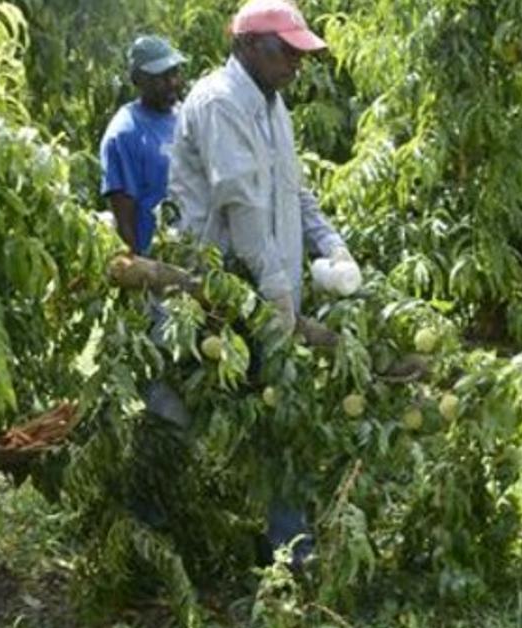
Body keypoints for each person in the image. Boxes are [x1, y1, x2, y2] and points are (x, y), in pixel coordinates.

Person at [167, 0, 359, 567]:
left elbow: (294, 195)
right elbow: (243, 207)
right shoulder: (221, 102)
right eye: (287, 51)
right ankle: (152, 535)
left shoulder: (273, 106)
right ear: (249, 45)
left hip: (263, 290)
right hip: (217, 291)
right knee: (178, 410)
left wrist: (333, 245)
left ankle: (288, 546)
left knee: (274, 412)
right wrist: (279, 298)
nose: (296, 64)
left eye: (300, 53)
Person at [100, 35, 188, 255]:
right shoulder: (125, 133)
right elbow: (124, 221)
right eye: (161, 77)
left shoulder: (185, 115)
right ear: (138, 80)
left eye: (175, 73)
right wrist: (138, 269)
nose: (172, 83)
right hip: (157, 260)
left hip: (196, 252)